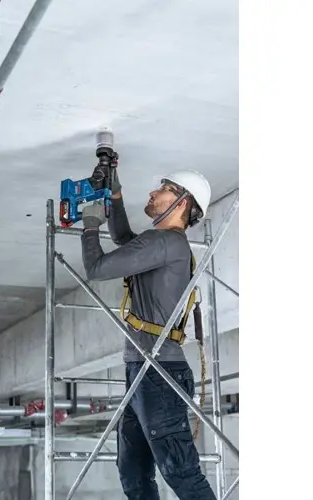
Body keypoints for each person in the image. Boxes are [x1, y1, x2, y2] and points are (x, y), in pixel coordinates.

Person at [80, 169, 216, 500]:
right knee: (134, 473)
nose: (154, 193)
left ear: (182, 202)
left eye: (164, 189)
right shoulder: (161, 244)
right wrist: (115, 195)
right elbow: (125, 239)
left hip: (159, 372)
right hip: (142, 370)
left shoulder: (166, 241)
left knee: (179, 471)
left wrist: (90, 225)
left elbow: (96, 269)